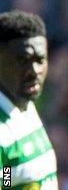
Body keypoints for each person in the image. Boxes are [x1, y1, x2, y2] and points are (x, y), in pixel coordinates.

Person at [0, 10, 57, 189]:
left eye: (40, 60)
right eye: (22, 60)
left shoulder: (25, 105)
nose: (34, 71)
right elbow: (5, 179)